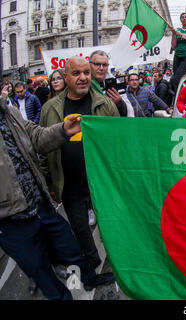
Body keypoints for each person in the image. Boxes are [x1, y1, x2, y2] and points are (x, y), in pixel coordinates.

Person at [0, 90, 115, 300]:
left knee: (71, 250)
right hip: (11, 221)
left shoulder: (10, 112)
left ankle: (89, 278)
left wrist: (63, 130)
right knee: (40, 270)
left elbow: (36, 136)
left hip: (40, 207)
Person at [39, 56, 119, 271]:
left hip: (101, 184)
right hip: (70, 186)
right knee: (81, 230)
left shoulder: (105, 104)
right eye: (76, 73)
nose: (83, 78)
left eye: (86, 73)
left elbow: (117, 144)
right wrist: (50, 184)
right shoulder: (50, 109)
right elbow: (43, 149)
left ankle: (118, 261)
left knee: (111, 224)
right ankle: (92, 263)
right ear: (65, 77)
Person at [88, 50, 128, 117]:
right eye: (97, 64)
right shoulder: (83, 84)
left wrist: (119, 103)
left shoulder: (116, 84)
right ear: (89, 65)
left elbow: (126, 114)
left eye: (104, 65)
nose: (101, 68)